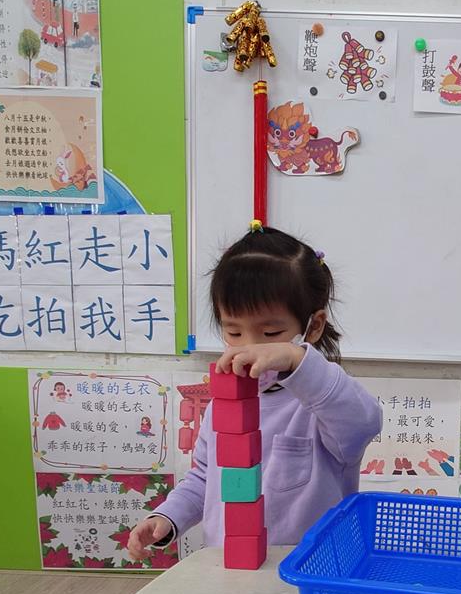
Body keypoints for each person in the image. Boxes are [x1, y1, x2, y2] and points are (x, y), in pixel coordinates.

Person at [127, 222, 382, 557]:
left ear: (313, 327)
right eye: (233, 333)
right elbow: (205, 478)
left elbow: (365, 421)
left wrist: (297, 359)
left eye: (271, 333)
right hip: (230, 566)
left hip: (310, 568)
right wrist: (167, 517)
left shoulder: (322, 403)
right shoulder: (222, 405)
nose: (249, 348)